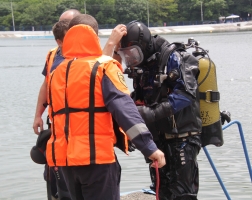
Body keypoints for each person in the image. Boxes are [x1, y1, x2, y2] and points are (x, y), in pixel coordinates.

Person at [45, 14, 165, 200]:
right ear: (95, 35)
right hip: (96, 160)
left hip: (65, 161)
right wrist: (149, 147)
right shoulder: (103, 67)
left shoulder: (56, 72)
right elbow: (125, 110)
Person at [117, 21, 202, 200]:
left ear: (145, 45)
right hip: (157, 138)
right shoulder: (142, 67)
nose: (131, 59)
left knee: (183, 194)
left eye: (133, 53)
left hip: (182, 136)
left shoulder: (175, 57)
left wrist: (151, 113)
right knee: (161, 191)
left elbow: (186, 94)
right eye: (127, 54)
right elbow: (138, 98)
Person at [32, 9, 81, 200]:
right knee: (53, 173)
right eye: (62, 25)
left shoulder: (89, 54)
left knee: (78, 174)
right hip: (56, 123)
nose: (64, 29)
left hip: (80, 125)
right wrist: (38, 115)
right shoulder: (53, 54)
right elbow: (46, 85)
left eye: (69, 26)